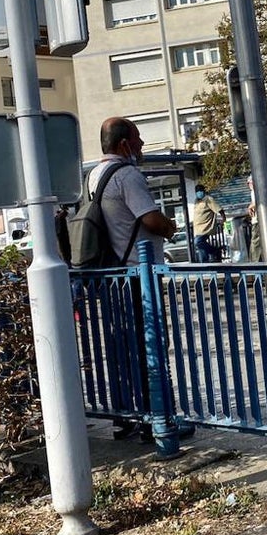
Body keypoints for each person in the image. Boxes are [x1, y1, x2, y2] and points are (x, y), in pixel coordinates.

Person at [90, 117, 178, 439]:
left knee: (124, 349)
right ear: (124, 144)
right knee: (151, 347)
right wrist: (170, 227)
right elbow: (151, 220)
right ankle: (158, 421)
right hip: (139, 277)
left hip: (113, 278)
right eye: (138, 139)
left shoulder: (94, 175)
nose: (142, 145)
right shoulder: (127, 174)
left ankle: (127, 415)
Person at [191, 187, 225, 263]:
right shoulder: (196, 201)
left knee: (198, 242)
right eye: (197, 191)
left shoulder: (208, 199)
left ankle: (214, 251)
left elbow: (219, 209)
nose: (199, 193)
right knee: (200, 247)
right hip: (197, 229)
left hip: (206, 227)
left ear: (204, 191)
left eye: (200, 191)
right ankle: (204, 263)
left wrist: (223, 219)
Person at [246, 175, 263, 262]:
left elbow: (257, 202)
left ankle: (255, 260)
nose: (249, 185)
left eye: (250, 183)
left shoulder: (255, 191)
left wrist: (250, 207)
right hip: (256, 219)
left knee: (255, 240)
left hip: (257, 220)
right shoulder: (255, 191)